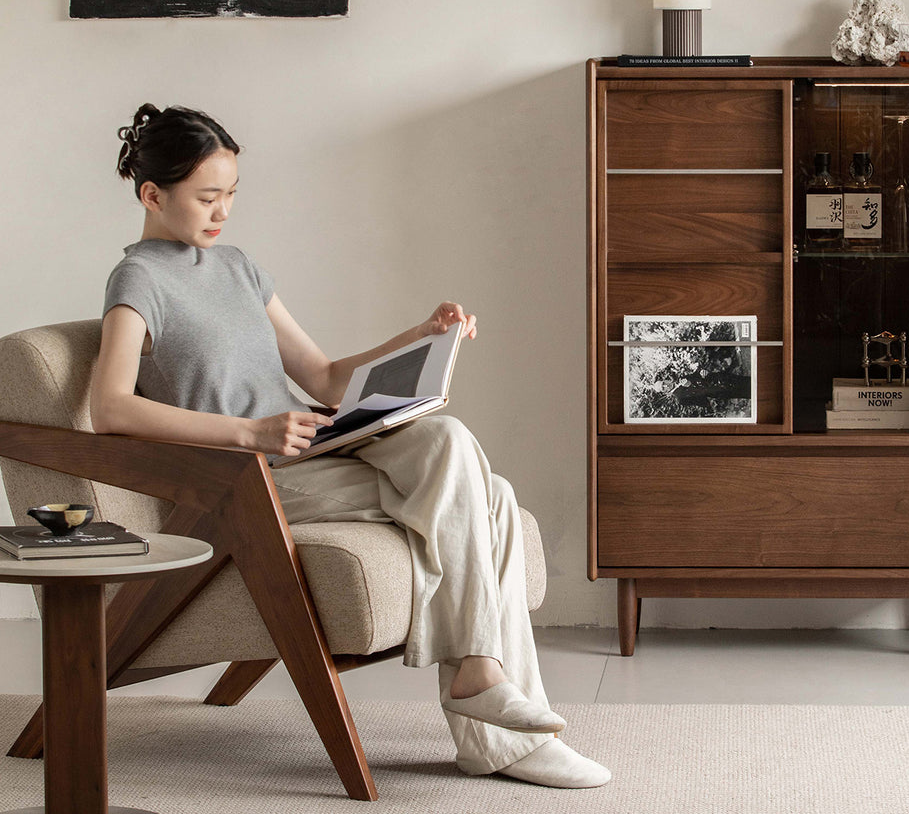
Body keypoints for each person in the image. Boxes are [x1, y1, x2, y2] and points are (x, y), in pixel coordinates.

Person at [90, 104, 610, 790]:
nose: (223, 212)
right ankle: (499, 731)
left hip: (316, 443)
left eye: (232, 194)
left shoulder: (239, 268)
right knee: (495, 499)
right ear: (152, 196)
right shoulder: (138, 280)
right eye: (207, 196)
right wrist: (248, 432)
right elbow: (109, 407)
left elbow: (326, 378)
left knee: (448, 437)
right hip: (246, 478)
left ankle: (485, 686)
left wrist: (420, 336)